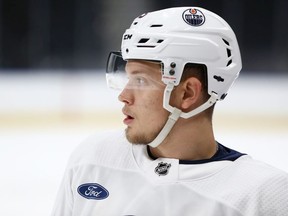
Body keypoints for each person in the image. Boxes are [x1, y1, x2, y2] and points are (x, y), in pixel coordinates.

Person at [51, 7, 288, 216]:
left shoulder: (265, 196)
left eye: (141, 80)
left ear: (187, 94)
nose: (123, 95)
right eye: (127, 77)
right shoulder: (93, 159)